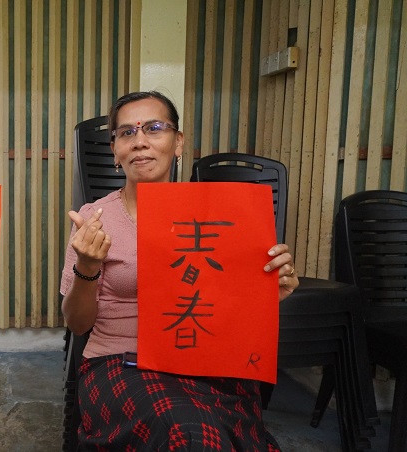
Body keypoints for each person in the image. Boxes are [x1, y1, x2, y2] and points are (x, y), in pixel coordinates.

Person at [60, 91, 300, 450]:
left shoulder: (219, 216)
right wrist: (87, 265)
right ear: (115, 150)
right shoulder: (94, 219)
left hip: (206, 362)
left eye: (154, 128)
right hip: (122, 363)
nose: (140, 141)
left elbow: (228, 311)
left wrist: (266, 294)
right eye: (126, 132)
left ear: (179, 142)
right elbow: (77, 324)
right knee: (190, 433)